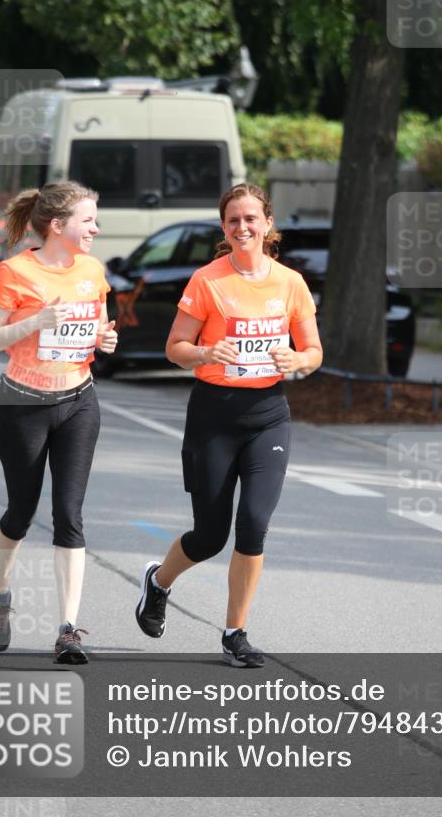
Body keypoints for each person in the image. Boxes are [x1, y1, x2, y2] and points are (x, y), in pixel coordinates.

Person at [135, 183, 322, 666]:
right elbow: (174, 346)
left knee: (254, 524)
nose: (243, 227)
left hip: (268, 417)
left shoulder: (290, 283)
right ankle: (159, 582)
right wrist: (203, 351)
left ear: (267, 225)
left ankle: (235, 632)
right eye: (233, 220)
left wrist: (295, 358)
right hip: (214, 416)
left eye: (251, 219)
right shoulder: (207, 280)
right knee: (210, 535)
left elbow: (314, 352)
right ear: (224, 227)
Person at [0, 181, 117, 664]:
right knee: (21, 512)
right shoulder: (15, 271)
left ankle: (68, 631)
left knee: (70, 515)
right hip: (22, 405)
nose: (96, 228)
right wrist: (37, 320)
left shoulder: (92, 269)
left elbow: (97, 324)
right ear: (58, 226)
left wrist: (103, 338)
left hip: (78, 400)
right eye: (89, 220)